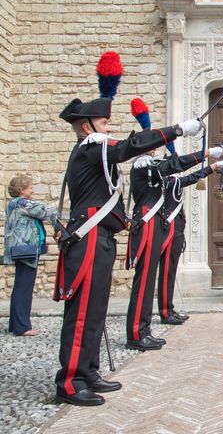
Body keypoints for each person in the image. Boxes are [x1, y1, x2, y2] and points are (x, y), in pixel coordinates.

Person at [54, 68, 204, 405]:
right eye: (104, 123)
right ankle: (69, 381)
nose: (109, 127)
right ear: (86, 126)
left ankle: (88, 370)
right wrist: (177, 129)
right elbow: (131, 147)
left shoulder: (97, 148)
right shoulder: (90, 147)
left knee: (97, 307)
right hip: (89, 236)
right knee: (81, 311)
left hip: (102, 236)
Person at [125, 98, 223, 350]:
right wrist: (205, 153)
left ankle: (142, 329)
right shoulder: (142, 165)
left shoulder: (152, 166)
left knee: (149, 280)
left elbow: (182, 175)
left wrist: (210, 167)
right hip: (147, 224)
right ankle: (137, 331)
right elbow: (174, 165)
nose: (156, 149)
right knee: (145, 280)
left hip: (155, 225)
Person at [158, 157, 223, 324]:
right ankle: (166, 312)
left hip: (176, 232)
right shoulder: (169, 181)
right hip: (169, 232)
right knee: (167, 273)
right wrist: (213, 167)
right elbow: (191, 178)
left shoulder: (172, 181)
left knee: (170, 273)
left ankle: (169, 308)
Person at [4, 174, 57, 336]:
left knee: (20, 286)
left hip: (19, 249)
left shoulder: (13, 204)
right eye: (30, 187)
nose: (33, 189)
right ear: (22, 190)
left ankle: (16, 324)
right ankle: (22, 327)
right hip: (26, 250)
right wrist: (63, 200)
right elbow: (44, 211)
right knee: (24, 288)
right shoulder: (22, 203)